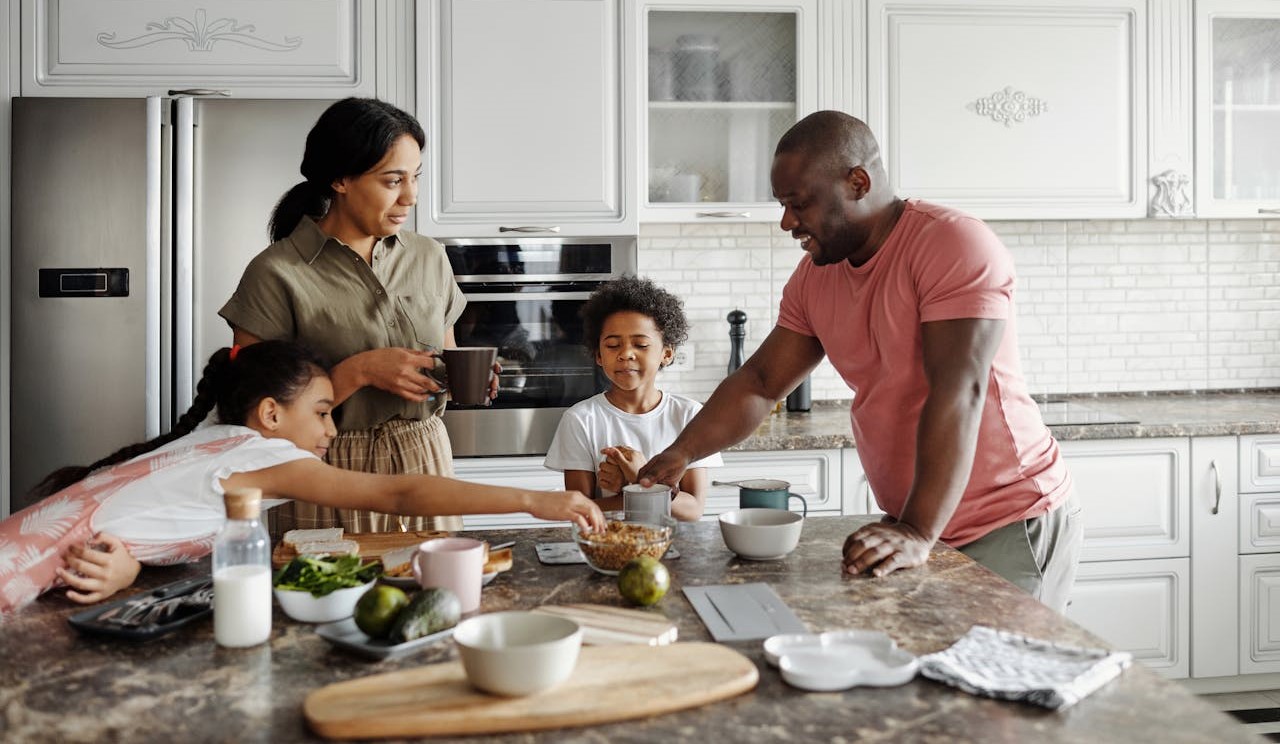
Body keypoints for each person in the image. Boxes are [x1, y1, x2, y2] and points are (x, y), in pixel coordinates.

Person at [638, 111, 1082, 612]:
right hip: (914, 524)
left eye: (798, 203)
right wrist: (682, 452)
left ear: (858, 182)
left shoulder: (951, 244)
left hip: (1005, 520)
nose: (787, 222)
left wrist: (917, 528)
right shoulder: (815, 277)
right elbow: (761, 383)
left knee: (998, 684)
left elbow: (959, 391)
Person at [1, 341, 602, 615]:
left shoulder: (211, 443)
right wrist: (537, 498)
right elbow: (398, 492)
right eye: (321, 412)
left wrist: (129, 565)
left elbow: (145, 521)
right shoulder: (258, 456)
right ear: (269, 415)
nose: (332, 431)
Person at [219, 97, 496, 536]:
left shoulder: (429, 257)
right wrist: (361, 371)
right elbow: (254, 417)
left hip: (425, 456)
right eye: (392, 180)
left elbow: (445, 355)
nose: (411, 196)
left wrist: (460, 375)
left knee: (439, 597)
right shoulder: (276, 273)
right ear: (340, 179)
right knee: (330, 599)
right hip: (327, 469)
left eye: (415, 177)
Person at [544, 276, 721, 521]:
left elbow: (692, 510)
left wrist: (639, 478)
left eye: (640, 344)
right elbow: (580, 511)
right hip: (608, 550)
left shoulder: (690, 415)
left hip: (676, 550)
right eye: (613, 345)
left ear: (666, 353)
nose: (626, 354)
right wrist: (638, 488)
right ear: (598, 355)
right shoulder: (580, 419)